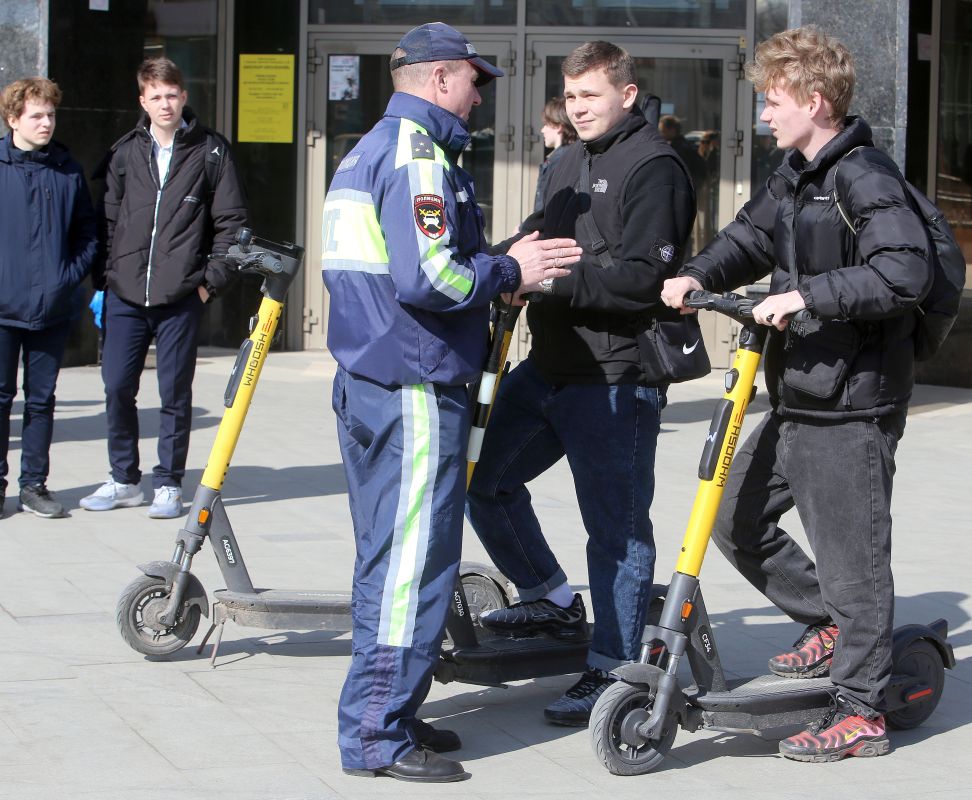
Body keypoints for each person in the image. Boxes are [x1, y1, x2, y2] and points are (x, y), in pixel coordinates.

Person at [660, 26, 933, 763]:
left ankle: (861, 710)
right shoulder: (795, 172)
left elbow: (904, 274)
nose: (764, 116)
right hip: (802, 390)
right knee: (736, 516)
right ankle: (829, 627)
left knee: (854, 565)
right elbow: (748, 237)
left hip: (854, 401)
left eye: (773, 102)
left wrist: (808, 295)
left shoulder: (863, 176)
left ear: (815, 100)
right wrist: (697, 275)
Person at [321, 22, 580, 783]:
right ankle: (377, 734)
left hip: (375, 384)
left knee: (387, 560)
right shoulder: (416, 156)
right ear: (439, 79)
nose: (479, 94)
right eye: (475, 79)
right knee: (412, 566)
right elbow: (432, 278)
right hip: (413, 387)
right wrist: (510, 268)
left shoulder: (366, 150)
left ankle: (389, 712)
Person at [467, 41, 697, 727]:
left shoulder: (657, 166)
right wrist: (501, 264)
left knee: (617, 534)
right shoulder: (563, 160)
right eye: (570, 98)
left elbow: (643, 281)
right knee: (484, 481)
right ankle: (548, 595)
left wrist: (550, 276)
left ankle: (614, 671)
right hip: (547, 368)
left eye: (590, 96)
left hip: (616, 380)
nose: (578, 108)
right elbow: (537, 236)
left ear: (627, 93)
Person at [81, 57, 247, 519]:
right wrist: (105, 282)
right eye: (155, 96)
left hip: (180, 297)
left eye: (171, 94)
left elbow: (232, 226)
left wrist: (208, 285)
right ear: (142, 101)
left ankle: (169, 483)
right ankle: (123, 479)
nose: (164, 103)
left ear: (184, 96)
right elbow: (108, 220)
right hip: (125, 295)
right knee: (116, 387)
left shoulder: (211, 152)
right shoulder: (125, 151)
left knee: (174, 393)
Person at [0, 77, 97, 519]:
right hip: (2, 310)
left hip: (53, 310)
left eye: (51, 114)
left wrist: (66, 278)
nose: (46, 123)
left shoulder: (67, 169)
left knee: (41, 400)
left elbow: (87, 235)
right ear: (13, 118)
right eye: (37, 115)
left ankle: (33, 486)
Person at [533, 95, 577, 212]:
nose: (543, 130)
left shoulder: (560, 162)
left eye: (546, 124)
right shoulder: (570, 156)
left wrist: (525, 228)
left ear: (559, 126)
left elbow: (546, 207)